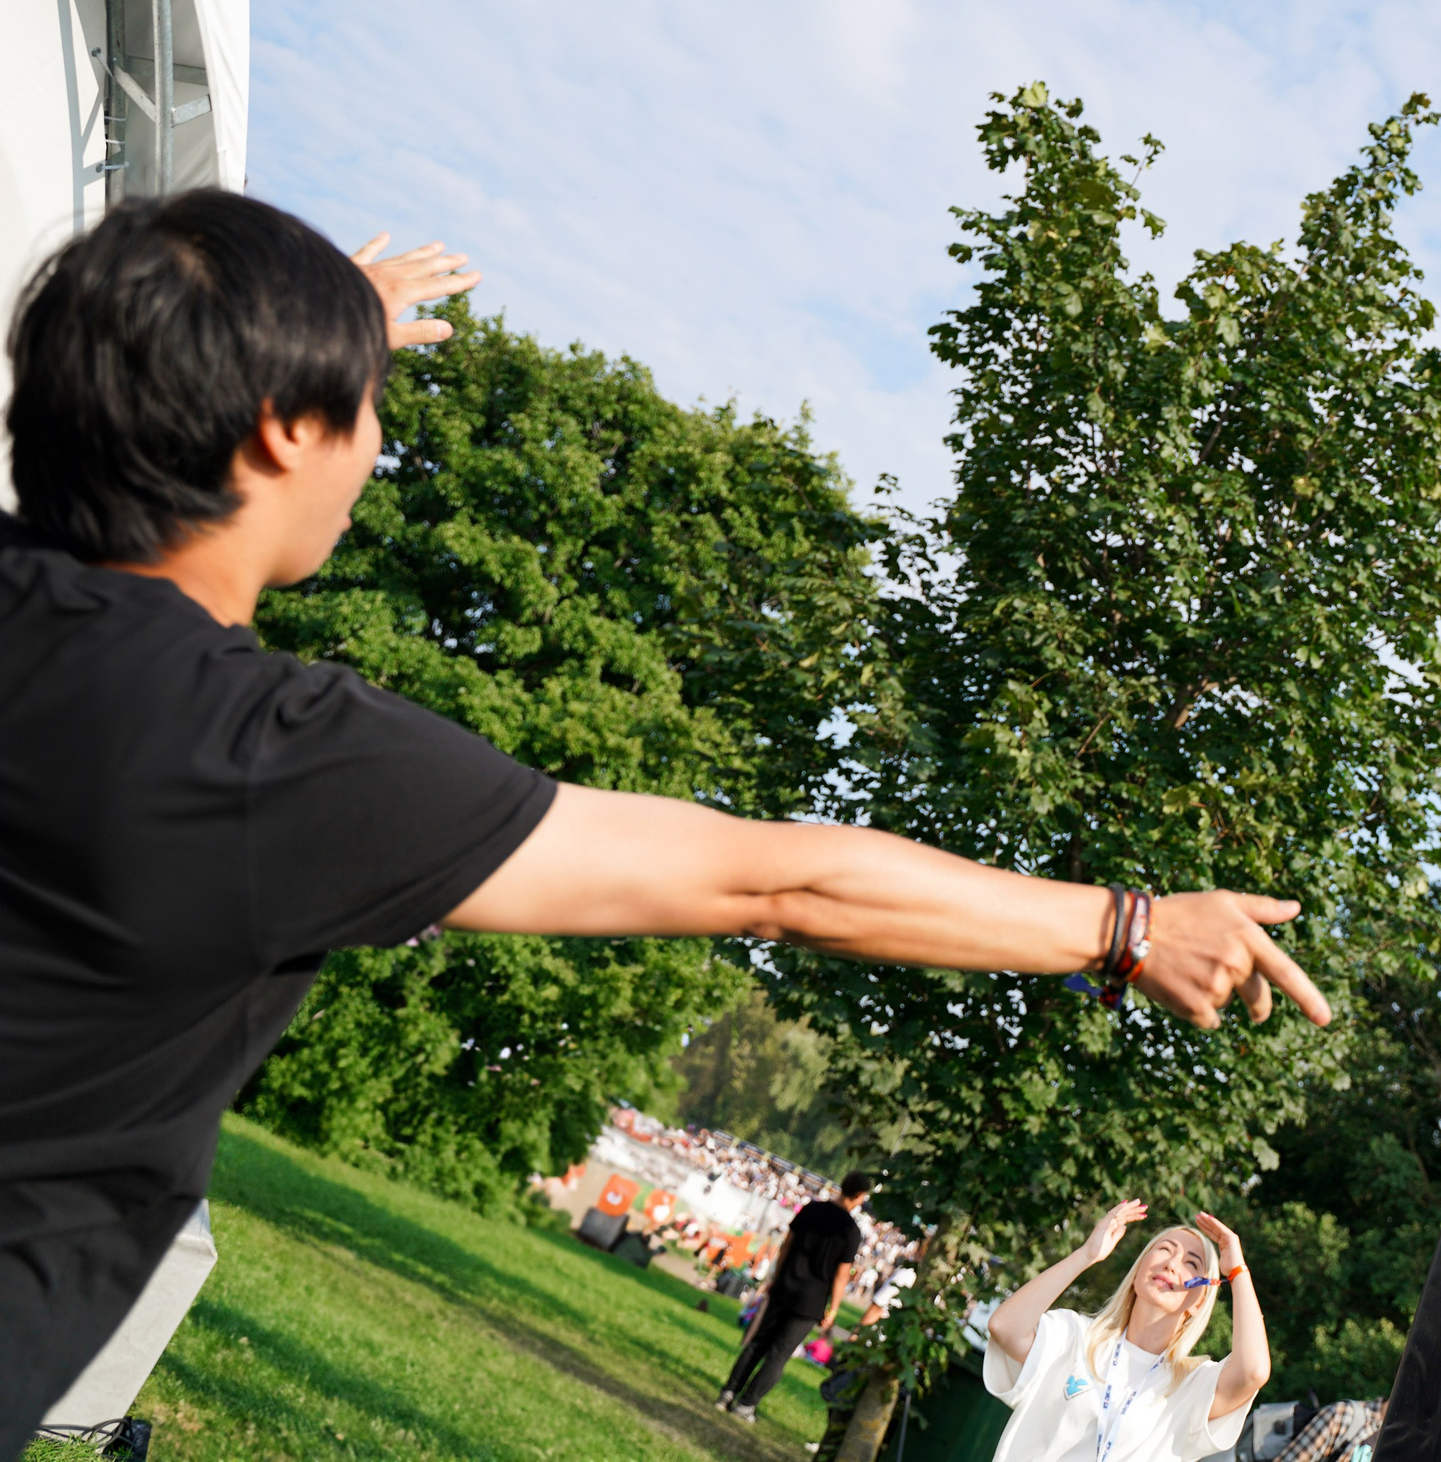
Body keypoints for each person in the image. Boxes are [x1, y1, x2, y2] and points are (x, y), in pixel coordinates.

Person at [0, 191, 1332, 1450]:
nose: (379, 435)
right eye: (359, 404)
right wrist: (1125, 923)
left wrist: (283, 332)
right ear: (283, 428)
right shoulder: (269, 763)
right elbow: (779, 886)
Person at [983, 1200, 1266, 1462]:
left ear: (1199, 1300)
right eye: (1165, 1250)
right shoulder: (1074, 1336)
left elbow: (1253, 1372)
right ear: (1139, 1270)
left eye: (1191, 1263)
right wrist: (1087, 1255)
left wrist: (1238, 1272)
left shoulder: (1193, 1385)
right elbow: (1004, 1328)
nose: (1171, 1263)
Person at [716, 1171, 877, 1422]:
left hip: (785, 1286)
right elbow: (841, 1275)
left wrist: (775, 1278)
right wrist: (832, 1310)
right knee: (778, 1355)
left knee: (758, 1343)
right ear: (858, 1196)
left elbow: (787, 1245)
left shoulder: (812, 1209)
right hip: (810, 1302)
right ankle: (746, 1405)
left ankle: (728, 1392)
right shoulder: (850, 1230)